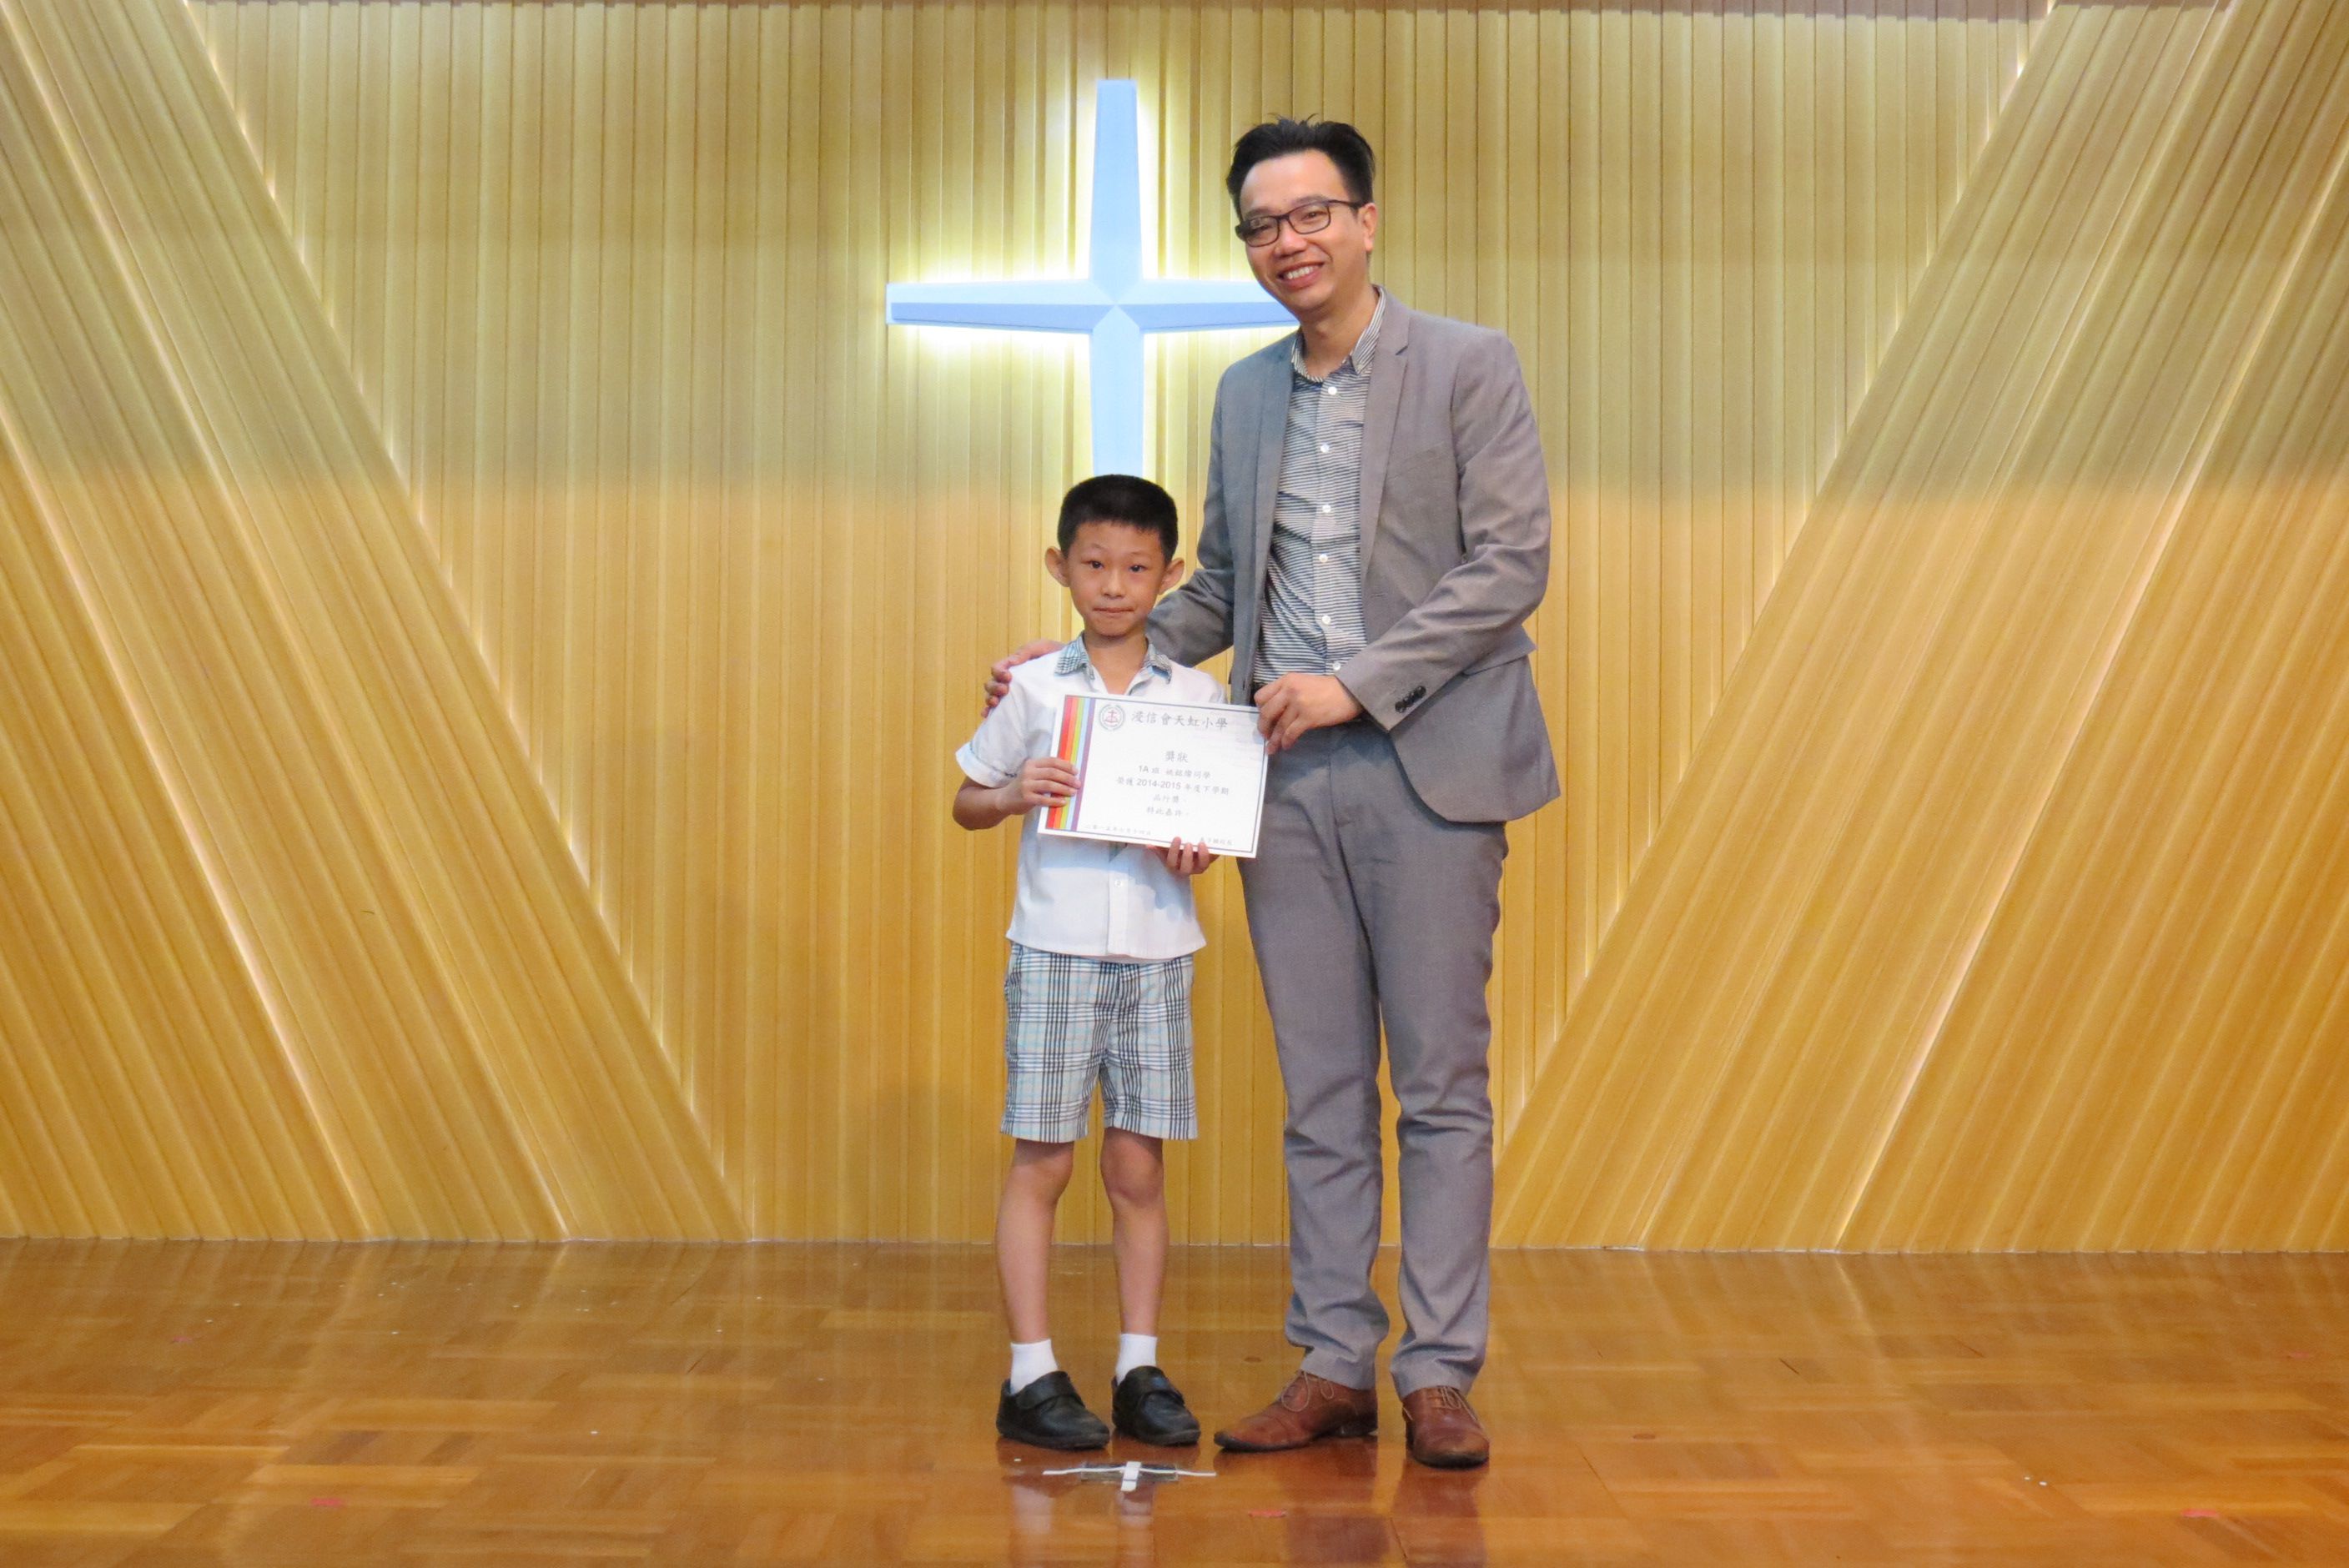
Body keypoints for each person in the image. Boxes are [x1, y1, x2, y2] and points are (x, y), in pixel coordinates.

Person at [987, 118, 1557, 1468]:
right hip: (1279, 780)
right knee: (1320, 1090)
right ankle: (1333, 1362)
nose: (1287, 242)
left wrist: (1355, 682)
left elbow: (1510, 565)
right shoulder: (1245, 394)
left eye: (1310, 215)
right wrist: (1072, 667)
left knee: (1441, 1084)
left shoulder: (1469, 363)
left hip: (1433, 766)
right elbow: (1222, 593)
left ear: (1365, 222)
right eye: (1261, 225)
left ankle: (1439, 1372)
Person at [955, 474, 1224, 1451]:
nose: (1113, 585)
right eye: (1094, 564)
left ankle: (1137, 1365)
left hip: (1157, 950)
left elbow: (1207, 830)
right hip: (1056, 946)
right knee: (1044, 1157)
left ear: (1170, 575)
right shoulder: (1034, 687)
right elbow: (966, 800)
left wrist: (1193, 850)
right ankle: (1030, 1371)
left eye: (1136, 567)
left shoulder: (1198, 697)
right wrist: (1012, 793)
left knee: (1137, 1166)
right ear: (1058, 566)